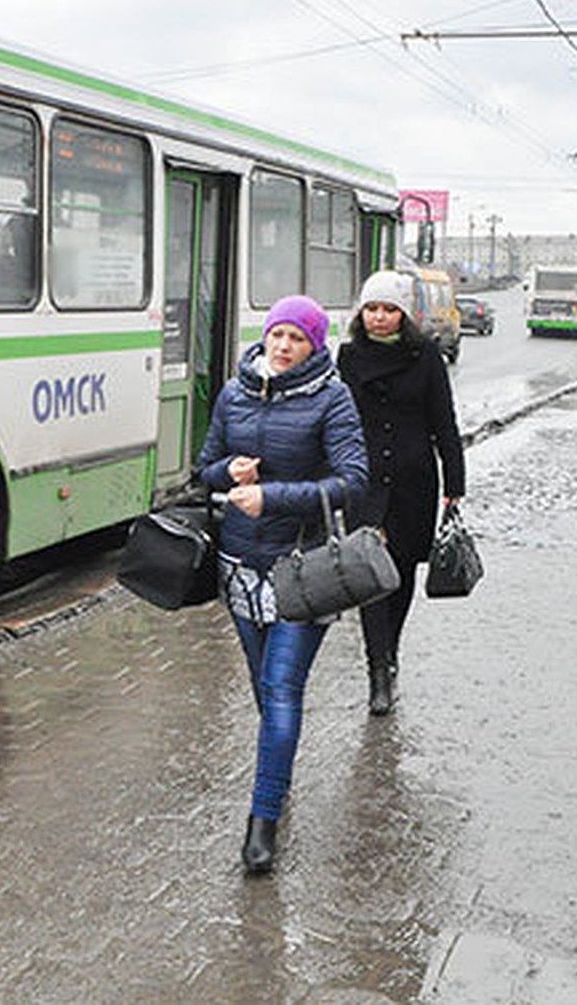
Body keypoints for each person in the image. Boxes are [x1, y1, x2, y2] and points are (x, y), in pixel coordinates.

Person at [198, 295, 369, 875]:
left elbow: (353, 481)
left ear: (315, 345)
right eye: (277, 335)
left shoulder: (332, 397)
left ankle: (262, 822)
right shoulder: (235, 390)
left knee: (279, 689)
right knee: (261, 685)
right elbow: (206, 467)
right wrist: (229, 474)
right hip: (240, 565)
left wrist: (271, 496)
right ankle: (280, 774)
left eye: (297, 338)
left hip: (302, 570)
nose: (283, 346)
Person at [337, 270, 465, 716]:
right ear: (361, 313)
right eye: (371, 309)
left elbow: (444, 423)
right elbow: (333, 421)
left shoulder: (425, 355)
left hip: (414, 481)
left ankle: (390, 653)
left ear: (404, 314)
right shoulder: (348, 357)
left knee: (402, 573)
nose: (379, 317)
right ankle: (377, 672)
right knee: (368, 576)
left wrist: (455, 487)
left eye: (389, 309)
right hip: (364, 483)